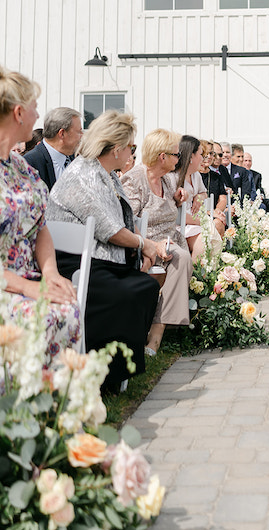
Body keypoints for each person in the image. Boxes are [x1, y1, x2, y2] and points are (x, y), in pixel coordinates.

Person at [47, 110, 168, 392]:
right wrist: (145, 244)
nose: (131, 153)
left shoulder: (107, 174)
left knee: (146, 286)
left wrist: (142, 247)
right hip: (76, 264)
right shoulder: (82, 175)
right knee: (132, 291)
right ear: (117, 149)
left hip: (101, 259)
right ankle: (102, 373)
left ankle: (115, 368)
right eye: (131, 147)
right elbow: (109, 229)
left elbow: (122, 220)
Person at [0, 66, 80, 363]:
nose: (37, 116)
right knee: (42, 315)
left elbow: (40, 226)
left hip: (30, 276)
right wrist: (28, 288)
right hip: (7, 284)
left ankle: (50, 396)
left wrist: (50, 273)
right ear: (19, 113)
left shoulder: (22, 168)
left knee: (67, 306)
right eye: (34, 107)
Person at [121, 129, 193, 355]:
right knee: (180, 257)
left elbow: (170, 208)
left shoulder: (169, 180)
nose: (178, 159)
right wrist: (151, 244)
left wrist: (180, 200)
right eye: (175, 155)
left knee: (180, 255)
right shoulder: (133, 180)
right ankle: (157, 335)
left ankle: (158, 329)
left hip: (171, 240)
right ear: (162, 157)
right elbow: (127, 221)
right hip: (145, 244)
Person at [24, 106, 83, 190]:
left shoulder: (76, 160)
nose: (82, 136)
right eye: (79, 131)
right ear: (62, 134)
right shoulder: (30, 164)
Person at [170, 135, 207, 260]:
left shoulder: (196, 175)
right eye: (201, 154)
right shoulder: (173, 178)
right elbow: (174, 214)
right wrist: (202, 221)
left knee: (210, 235)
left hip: (192, 222)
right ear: (191, 156)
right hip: (179, 224)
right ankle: (195, 276)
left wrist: (199, 197)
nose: (203, 158)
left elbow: (204, 193)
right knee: (205, 239)